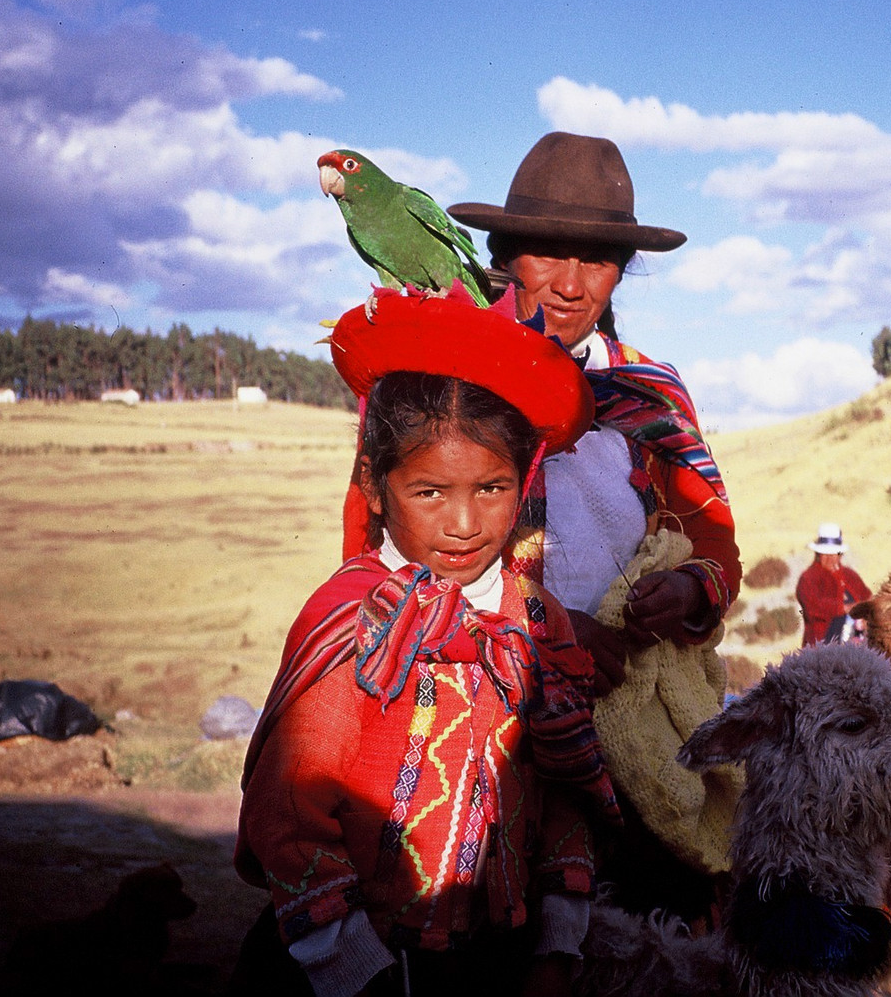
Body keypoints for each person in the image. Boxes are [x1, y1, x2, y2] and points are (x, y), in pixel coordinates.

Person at [234, 288, 618, 997]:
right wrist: (351, 967)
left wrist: (556, 944)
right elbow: (288, 809)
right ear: (375, 488)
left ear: (525, 482)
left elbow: (566, 797)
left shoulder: (538, 625)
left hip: (492, 964)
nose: (465, 523)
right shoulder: (354, 620)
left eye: (493, 487)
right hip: (347, 969)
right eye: (429, 493)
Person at [443, 131, 742, 924]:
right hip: (478, 724)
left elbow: (712, 535)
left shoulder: (648, 391)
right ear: (505, 254)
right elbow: (392, 557)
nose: (574, 285)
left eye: (600, 261)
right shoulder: (445, 380)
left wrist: (688, 587)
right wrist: (551, 634)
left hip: (628, 732)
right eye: (548, 254)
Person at [795, 522, 872, 646]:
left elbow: (868, 599)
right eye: (825, 554)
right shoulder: (808, 578)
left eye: (834, 554)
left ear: (840, 554)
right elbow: (813, 608)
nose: (830, 558)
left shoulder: (850, 575)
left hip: (856, 646)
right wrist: (845, 608)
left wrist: (865, 618)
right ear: (818, 554)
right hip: (820, 647)